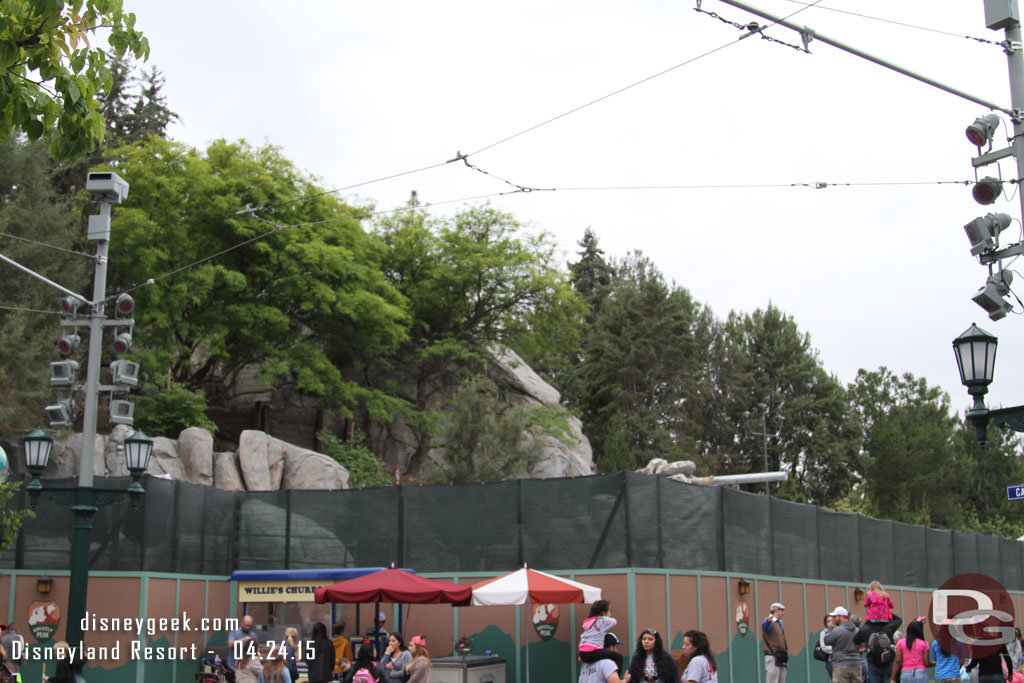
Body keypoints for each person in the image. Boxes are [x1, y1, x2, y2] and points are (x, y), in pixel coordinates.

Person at [854, 610, 902, 683]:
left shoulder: (866, 628)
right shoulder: (888, 627)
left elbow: (856, 640)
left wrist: (868, 621)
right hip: (888, 661)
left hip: (873, 662)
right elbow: (899, 620)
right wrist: (885, 611)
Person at [579, 600, 624, 672]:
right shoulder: (601, 620)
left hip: (582, 653)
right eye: (609, 611)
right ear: (603, 613)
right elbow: (614, 622)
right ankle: (616, 679)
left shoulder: (588, 622)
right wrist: (604, 617)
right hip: (592, 651)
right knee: (619, 658)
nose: (610, 614)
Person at [824, 606, 861, 683]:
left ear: (841, 617)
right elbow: (860, 645)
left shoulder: (837, 630)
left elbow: (827, 641)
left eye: (835, 616)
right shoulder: (857, 630)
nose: (833, 619)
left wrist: (830, 629)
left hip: (841, 664)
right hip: (856, 663)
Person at [891, 619, 930, 683]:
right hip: (920, 673)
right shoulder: (924, 644)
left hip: (906, 674)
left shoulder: (900, 643)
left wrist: (892, 678)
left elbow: (897, 661)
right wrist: (934, 663)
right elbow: (926, 663)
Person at [762, 602, 789, 683]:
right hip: (772, 655)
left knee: (782, 680)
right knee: (772, 680)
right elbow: (765, 626)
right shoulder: (770, 622)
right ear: (776, 610)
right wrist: (768, 620)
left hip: (781, 656)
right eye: (782, 610)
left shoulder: (778, 623)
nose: (783, 613)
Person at [819, 615, 836, 681]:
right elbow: (824, 647)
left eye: (832, 620)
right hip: (830, 660)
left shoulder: (838, 631)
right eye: (828, 621)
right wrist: (835, 649)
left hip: (840, 660)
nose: (831, 622)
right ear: (825, 623)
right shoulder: (824, 633)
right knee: (834, 679)